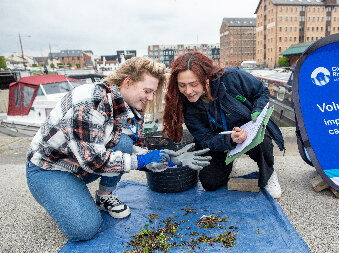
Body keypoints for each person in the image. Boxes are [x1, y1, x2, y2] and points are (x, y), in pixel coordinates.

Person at [26, 57, 211, 241]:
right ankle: (58, 195)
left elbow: (133, 149)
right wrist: (142, 160)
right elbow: (94, 161)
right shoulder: (89, 104)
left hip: (82, 165)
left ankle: (103, 196)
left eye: (153, 92)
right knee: (84, 229)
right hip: (51, 169)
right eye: (147, 91)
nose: (150, 98)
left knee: (123, 143)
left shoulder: (130, 107)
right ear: (128, 82)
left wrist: (171, 160)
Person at [163, 52, 285, 198]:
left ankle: (269, 173)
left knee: (263, 139)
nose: (188, 91)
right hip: (220, 139)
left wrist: (257, 111)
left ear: (206, 79)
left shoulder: (232, 76)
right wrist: (230, 140)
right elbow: (205, 139)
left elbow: (262, 92)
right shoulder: (187, 106)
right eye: (182, 85)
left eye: (193, 84)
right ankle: (229, 159)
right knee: (210, 183)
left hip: (248, 128)